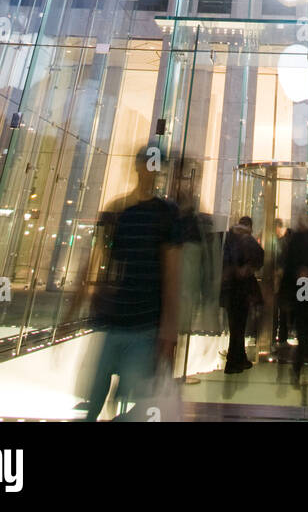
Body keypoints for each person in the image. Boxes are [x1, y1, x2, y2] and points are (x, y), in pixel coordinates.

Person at [83, 147, 183, 420]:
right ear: (138, 167)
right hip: (117, 317)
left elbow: (172, 274)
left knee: (134, 397)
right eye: (146, 164)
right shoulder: (122, 211)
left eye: (154, 166)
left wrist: (168, 329)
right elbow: (106, 264)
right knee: (96, 397)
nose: (150, 170)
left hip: (144, 321)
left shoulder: (165, 213)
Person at [280, 214, 308, 382]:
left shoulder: (298, 240)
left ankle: (302, 351)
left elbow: (287, 263)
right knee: (305, 318)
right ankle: (303, 351)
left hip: (301, 285)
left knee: (303, 318)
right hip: (303, 285)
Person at [221, 216, 264, 374]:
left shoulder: (229, 238)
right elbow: (260, 256)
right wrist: (248, 268)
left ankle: (238, 358)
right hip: (241, 289)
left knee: (235, 326)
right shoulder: (247, 239)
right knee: (239, 325)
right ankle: (234, 361)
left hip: (229, 289)